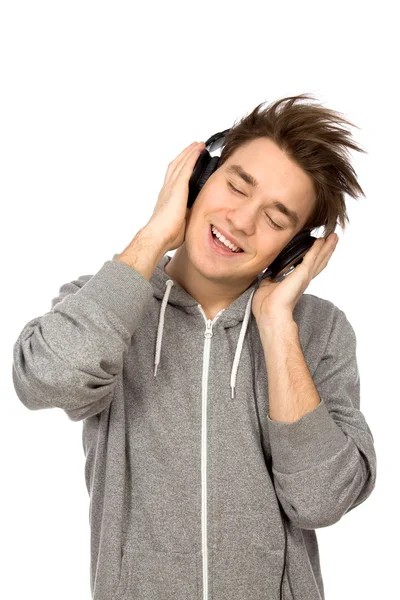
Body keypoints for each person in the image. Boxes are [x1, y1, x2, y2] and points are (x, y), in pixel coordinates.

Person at [12, 93, 377, 600]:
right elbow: (44, 379)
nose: (242, 221)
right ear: (200, 180)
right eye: (235, 186)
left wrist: (276, 325)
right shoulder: (107, 303)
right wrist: (157, 232)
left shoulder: (318, 331)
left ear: (294, 248)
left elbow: (320, 500)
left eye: (276, 220)